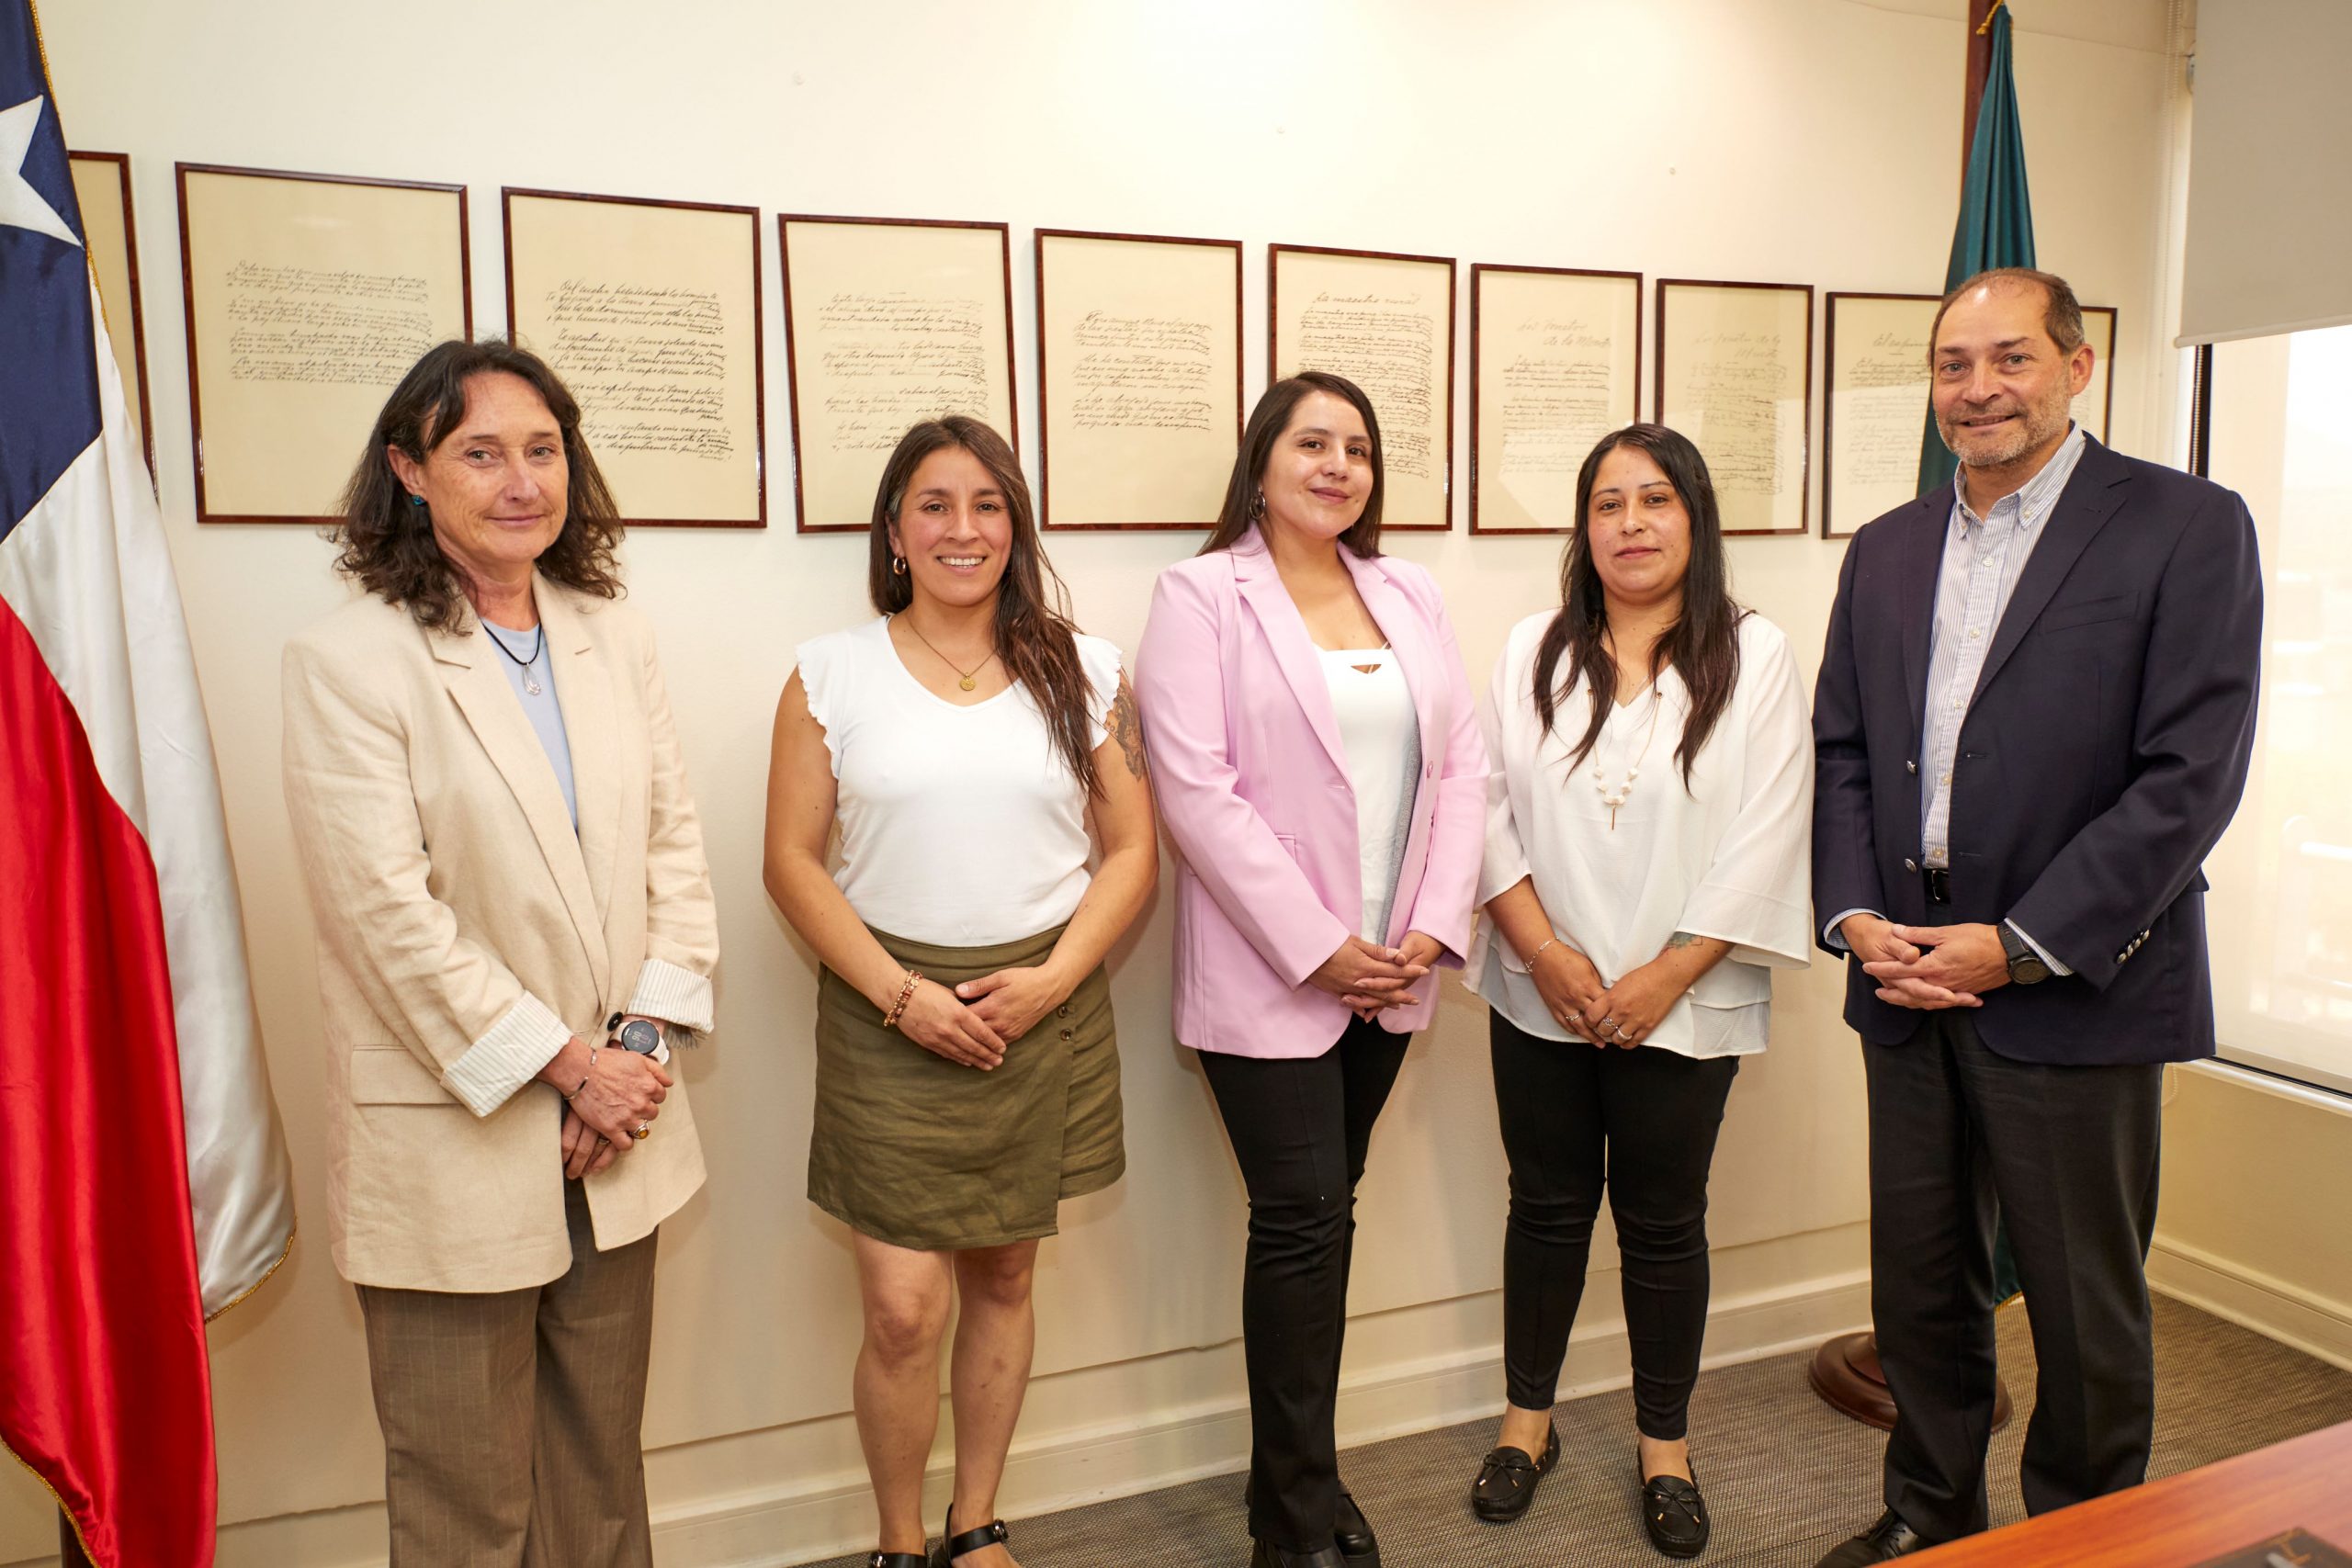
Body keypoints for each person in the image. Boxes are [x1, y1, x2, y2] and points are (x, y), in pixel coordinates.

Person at [1808, 267, 2262, 1563]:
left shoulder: (2185, 525)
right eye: (1954, 364)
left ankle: (2083, 1538)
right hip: (1904, 972)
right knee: (1920, 1282)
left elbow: (2188, 779)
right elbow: (1845, 750)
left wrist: (2016, 946)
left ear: (2076, 365)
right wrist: (1856, 915)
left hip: (2075, 978)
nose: (1979, 388)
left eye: (2010, 357)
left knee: (2080, 1303)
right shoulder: (1888, 546)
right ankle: (1929, 1509)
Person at [282, 339, 718, 1567]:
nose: (522, 481)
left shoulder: (613, 636)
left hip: (616, 1128)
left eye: (542, 449)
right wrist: (571, 1066)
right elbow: (388, 918)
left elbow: (674, 853)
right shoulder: (348, 660)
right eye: (481, 452)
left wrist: (635, 1049)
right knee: (466, 1505)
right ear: (409, 470)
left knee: (599, 1484)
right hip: (455, 1134)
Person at [763, 416, 1157, 1568]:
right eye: (933, 505)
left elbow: (1133, 850)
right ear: (894, 531)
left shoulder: (1087, 670)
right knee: (901, 1310)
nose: (962, 529)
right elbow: (789, 861)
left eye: (987, 505)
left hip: (1041, 1004)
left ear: (1015, 527)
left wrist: (1053, 982)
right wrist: (903, 999)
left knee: (1006, 1271)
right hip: (885, 1011)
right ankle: (897, 1539)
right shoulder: (827, 673)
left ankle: (973, 1520)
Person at [1135, 372, 1487, 1568]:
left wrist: (1430, 928)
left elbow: (1462, 770)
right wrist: (1319, 947)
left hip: (1395, 970)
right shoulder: (1200, 595)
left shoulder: (1408, 590)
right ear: (1262, 460)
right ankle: (1291, 1524)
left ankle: (1302, 1478)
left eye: (1358, 448)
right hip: (1270, 976)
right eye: (1312, 443)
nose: (1338, 465)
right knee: (1300, 1224)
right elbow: (1195, 790)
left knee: (1326, 1222)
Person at [1464, 424, 1813, 1556]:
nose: (1630, 524)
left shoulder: (1753, 654)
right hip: (1543, 989)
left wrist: (1666, 973)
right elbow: (1482, 808)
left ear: (1694, 519)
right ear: (1584, 528)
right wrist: (1543, 953)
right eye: (1607, 504)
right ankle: (1527, 1426)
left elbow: (1770, 827)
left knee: (1664, 1224)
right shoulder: (1532, 648)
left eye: (1654, 500)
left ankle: (1665, 1446)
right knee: (1545, 1207)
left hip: (1685, 995)